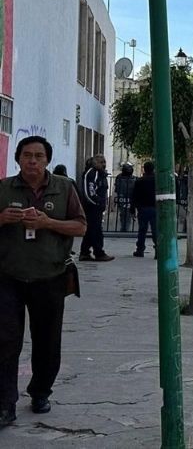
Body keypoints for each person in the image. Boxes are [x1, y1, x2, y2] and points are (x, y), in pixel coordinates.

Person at [0, 137, 88, 428]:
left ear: (47, 159)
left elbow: (80, 225)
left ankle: (40, 392)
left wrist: (47, 222)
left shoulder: (64, 187)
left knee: (47, 340)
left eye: (38, 156)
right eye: (27, 155)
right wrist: (2, 218)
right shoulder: (4, 188)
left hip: (50, 276)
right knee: (5, 341)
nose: (33, 161)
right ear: (18, 159)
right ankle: (5, 404)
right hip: (8, 276)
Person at [79, 154, 113, 262]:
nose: (104, 164)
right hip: (92, 207)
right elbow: (89, 191)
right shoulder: (91, 173)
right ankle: (99, 252)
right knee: (96, 231)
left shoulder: (101, 174)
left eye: (104, 162)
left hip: (98, 207)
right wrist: (97, 203)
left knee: (90, 231)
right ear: (95, 163)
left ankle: (84, 252)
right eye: (101, 162)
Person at [131, 162, 157, 258]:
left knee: (142, 230)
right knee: (155, 230)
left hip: (142, 208)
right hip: (155, 207)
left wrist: (132, 209)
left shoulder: (139, 181)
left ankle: (140, 249)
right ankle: (158, 250)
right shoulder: (157, 180)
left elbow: (134, 196)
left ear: (144, 169)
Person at [114, 162, 136, 232]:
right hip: (128, 197)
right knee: (126, 214)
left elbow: (116, 188)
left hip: (123, 197)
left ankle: (124, 228)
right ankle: (125, 228)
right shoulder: (133, 179)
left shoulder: (119, 177)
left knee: (124, 213)